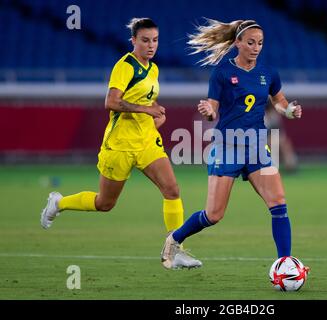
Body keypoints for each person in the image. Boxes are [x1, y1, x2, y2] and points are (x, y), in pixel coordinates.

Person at [40, 18, 201, 269]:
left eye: (155, 40)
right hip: (120, 146)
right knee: (105, 203)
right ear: (134, 41)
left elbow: (143, 110)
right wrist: (147, 109)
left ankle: (174, 250)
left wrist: (155, 117)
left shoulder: (154, 69)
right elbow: (112, 102)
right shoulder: (125, 66)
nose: (151, 45)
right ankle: (59, 202)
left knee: (172, 190)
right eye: (145, 40)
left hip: (146, 142)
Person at [161, 18, 307, 271]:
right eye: (250, 42)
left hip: (257, 145)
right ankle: (174, 239)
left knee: (278, 203)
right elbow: (212, 109)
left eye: (260, 43)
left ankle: (285, 263)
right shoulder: (222, 73)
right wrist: (208, 110)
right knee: (214, 215)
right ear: (237, 42)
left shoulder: (268, 73)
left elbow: (280, 100)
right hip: (228, 146)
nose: (256, 47)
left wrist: (290, 110)